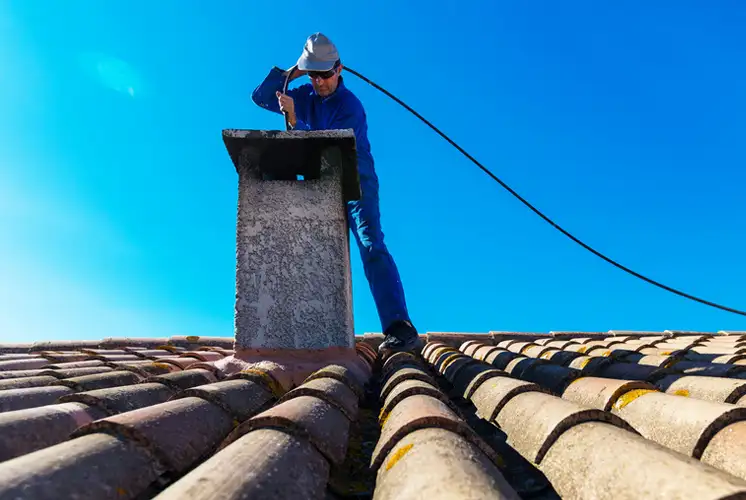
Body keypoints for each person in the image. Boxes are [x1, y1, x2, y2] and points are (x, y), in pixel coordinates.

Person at [251, 32, 419, 353]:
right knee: (313, 250)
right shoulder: (306, 94)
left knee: (370, 244)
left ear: (339, 69)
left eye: (326, 74)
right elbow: (260, 97)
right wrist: (292, 73)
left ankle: (400, 326)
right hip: (322, 180)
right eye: (314, 75)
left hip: (356, 180)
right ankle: (313, 331)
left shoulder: (350, 105)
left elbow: (330, 144)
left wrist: (295, 120)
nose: (320, 82)